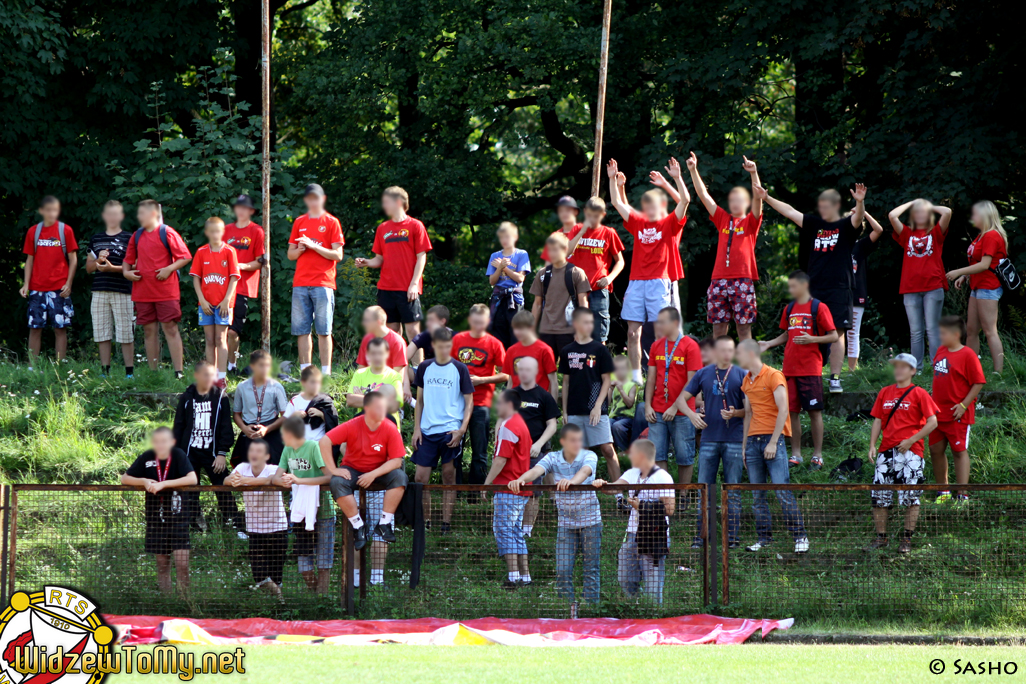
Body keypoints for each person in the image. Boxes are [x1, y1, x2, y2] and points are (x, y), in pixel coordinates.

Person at [756, 183, 867, 393]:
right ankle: (812, 373)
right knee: (808, 328)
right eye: (821, 205)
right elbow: (789, 212)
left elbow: (858, 219)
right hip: (814, 287)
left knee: (838, 331)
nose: (823, 209)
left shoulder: (845, 226)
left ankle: (835, 378)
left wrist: (860, 202)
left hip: (839, 288)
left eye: (827, 205)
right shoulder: (815, 224)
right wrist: (767, 198)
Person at [607, 157, 690, 383]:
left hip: (659, 281)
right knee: (633, 332)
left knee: (662, 332)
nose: (650, 208)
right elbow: (616, 202)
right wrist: (613, 178)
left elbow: (685, 200)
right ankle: (636, 377)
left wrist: (674, 178)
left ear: (662, 207)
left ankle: (664, 374)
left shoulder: (670, 224)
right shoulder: (639, 222)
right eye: (647, 205)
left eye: (655, 205)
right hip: (636, 282)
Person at [508, 423, 601, 606]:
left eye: (579, 440)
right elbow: (536, 471)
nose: (577, 444)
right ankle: (566, 609)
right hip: (565, 524)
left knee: (591, 569)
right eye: (573, 440)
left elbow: (585, 471)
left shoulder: (589, 455)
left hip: (591, 522)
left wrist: (571, 482)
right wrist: (521, 480)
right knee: (563, 570)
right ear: (563, 442)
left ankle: (592, 610)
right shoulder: (552, 458)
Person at [759, 270, 839, 469]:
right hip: (789, 370)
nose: (790, 290)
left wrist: (812, 339)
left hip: (811, 369)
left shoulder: (818, 307)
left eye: (794, 286)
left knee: (814, 412)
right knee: (791, 412)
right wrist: (769, 343)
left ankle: (817, 455)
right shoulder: (790, 308)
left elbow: (834, 336)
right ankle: (796, 455)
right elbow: (788, 333)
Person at [736, 339, 809, 554]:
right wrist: (743, 446)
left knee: (781, 491)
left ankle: (800, 536)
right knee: (757, 495)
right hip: (753, 442)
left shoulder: (773, 375)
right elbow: (748, 413)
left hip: (772, 440)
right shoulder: (746, 380)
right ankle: (764, 538)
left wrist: (773, 442)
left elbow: (784, 410)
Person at [866, 353, 940, 554]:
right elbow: (878, 420)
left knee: (911, 496)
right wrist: (873, 444)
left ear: (913, 371)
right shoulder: (885, 392)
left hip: (911, 452)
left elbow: (933, 421)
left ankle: (907, 539)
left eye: (903, 366)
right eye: (896, 366)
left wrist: (911, 440)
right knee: (879, 496)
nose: (898, 369)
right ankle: (881, 538)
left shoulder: (920, 393)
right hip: (886, 450)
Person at [678, 336, 747, 549]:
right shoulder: (703, 373)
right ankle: (701, 537)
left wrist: (736, 413)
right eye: (722, 350)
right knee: (704, 490)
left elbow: (750, 411)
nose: (726, 354)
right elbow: (681, 399)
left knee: (732, 490)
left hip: (734, 440)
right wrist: (692, 415)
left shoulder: (742, 374)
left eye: (730, 350)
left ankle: (732, 539)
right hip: (708, 439)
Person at [686, 153, 763, 340]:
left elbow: (758, 197)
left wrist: (753, 173)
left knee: (744, 328)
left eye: (739, 199)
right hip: (719, 280)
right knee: (718, 329)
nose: (734, 202)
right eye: (732, 199)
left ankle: (747, 368)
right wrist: (693, 169)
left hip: (742, 280)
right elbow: (703, 195)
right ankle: (719, 368)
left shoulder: (751, 222)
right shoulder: (722, 219)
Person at [322, 393, 409, 557]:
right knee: (337, 482)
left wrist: (373, 474)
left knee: (400, 477)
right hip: (353, 469)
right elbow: (325, 441)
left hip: (379, 470)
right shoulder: (352, 425)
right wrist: (333, 469)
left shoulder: (389, 427)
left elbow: (397, 461)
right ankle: (358, 526)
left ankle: (384, 524)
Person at [593, 439, 674, 604]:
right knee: (625, 576)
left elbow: (670, 508)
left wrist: (643, 506)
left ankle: (652, 612)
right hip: (632, 533)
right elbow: (616, 488)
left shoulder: (662, 477)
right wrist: (602, 485)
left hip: (654, 534)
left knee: (653, 585)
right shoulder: (632, 473)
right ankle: (635, 606)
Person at [412, 327, 474, 532]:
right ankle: (426, 523)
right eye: (440, 345)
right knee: (420, 478)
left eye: (448, 346)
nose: (444, 349)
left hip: (451, 431)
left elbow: (469, 401)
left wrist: (462, 429)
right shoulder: (424, 367)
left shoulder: (459, 368)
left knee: (449, 476)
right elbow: (419, 401)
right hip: (427, 431)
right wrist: (416, 429)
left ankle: (446, 524)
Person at [121, 427, 197, 594]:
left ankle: (185, 601)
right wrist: (143, 481)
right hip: (156, 520)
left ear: (172, 442)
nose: (160, 445)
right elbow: (124, 478)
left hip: (179, 520)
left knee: (182, 565)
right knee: (162, 565)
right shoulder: (147, 457)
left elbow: (192, 478)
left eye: (164, 441)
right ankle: (167, 601)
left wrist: (163, 484)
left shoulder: (178, 455)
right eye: (157, 441)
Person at [122, 199, 192, 378]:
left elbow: (185, 256)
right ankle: (154, 373)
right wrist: (126, 273)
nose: (139, 217)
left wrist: (169, 269)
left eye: (142, 214)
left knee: (170, 327)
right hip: (143, 292)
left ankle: (179, 372)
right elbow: (127, 262)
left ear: (153, 214)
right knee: (148, 330)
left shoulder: (166, 232)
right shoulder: (136, 236)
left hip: (166, 291)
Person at [355, 186, 432, 343]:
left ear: (398, 202)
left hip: (407, 288)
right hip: (386, 289)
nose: (384, 206)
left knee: (413, 332)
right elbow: (379, 259)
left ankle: (418, 368)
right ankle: (397, 367)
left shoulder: (415, 226)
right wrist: (366, 262)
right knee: (391, 332)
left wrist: (414, 284)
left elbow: (421, 257)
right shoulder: (383, 228)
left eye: (386, 202)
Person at [888, 199, 953, 370]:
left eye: (923, 212)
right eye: (917, 213)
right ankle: (916, 367)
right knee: (916, 331)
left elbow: (947, 212)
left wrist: (927, 205)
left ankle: (936, 366)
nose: (920, 215)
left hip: (933, 286)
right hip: (910, 288)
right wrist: (912, 203)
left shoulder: (936, 232)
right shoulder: (907, 234)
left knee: (932, 329)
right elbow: (892, 216)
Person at [272, 415, 334, 592]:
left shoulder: (313, 447)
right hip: (300, 512)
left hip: (324, 512)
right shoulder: (287, 450)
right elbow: (277, 477)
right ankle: (316, 598)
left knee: (324, 562)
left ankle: (322, 603)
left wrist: (299, 480)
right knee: (304, 566)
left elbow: (329, 476)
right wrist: (283, 482)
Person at [288, 183, 344, 375]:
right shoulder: (299, 222)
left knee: (324, 330)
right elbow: (290, 255)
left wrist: (313, 245)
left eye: (316, 198)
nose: (313, 201)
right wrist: (300, 249)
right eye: (310, 198)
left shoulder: (331, 222)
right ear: (306, 200)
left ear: (322, 199)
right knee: (301, 330)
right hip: (300, 283)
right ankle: (306, 372)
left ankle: (326, 373)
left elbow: (338, 255)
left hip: (323, 283)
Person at [172, 360, 236, 529]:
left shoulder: (220, 397)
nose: (210, 378)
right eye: (206, 375)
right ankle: (193, 524)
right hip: (190, 452)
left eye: (212, 375)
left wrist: (222, 453)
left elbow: (225, 426)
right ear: (197, 376)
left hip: (213, 452)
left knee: (223, 485)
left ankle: (231, 522)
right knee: (191, 488)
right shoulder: (186, 398)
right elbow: (178, 426)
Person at [947, 200, 1008, 373]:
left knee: (990, 331)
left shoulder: (991, 236)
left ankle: (998, 373)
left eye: (975, 214)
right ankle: (969, 370)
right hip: (977, 286)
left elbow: (984, 264)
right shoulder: (982, 235)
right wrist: (966, 276)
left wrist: (958, 272)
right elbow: (978, 262)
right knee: (972, 330)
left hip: (988, 288)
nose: (972, 218)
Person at [929, 316, 985, 504]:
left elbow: (978, 382)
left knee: (959, 451)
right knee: (935, 449)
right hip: (937, 413)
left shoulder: (968, 355)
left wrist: (963, 405)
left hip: (957, 413)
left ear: (956, 334)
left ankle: (963, 495)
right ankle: (942, 492)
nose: (940, 336)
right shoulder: (940, 350)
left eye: (943, 333)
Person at [559, 307, 619, 481]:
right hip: (574, 410)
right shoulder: (567, 350)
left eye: (591, 322)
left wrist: (598, 406)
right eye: (586, 322)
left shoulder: (599, 349)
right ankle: (579, 494)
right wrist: (564, 412)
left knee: (607, 449)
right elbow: (566, 381)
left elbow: (607, 380)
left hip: (597, 410)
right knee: (576, 453)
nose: (590, 326)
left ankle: (620, 493)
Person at [555, 197, 626, 343]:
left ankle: (599, 361)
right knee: (573, 330)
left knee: (599, 331)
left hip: (598, 287)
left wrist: (609, 278)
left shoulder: (609, 233)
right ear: (585, 212)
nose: (593, 219)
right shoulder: (574, 229)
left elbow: (620, 261)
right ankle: (574, 361)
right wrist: (581, 232)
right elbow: (567, 253)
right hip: (575, 288)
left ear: (603, 215)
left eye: (596, 215)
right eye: (590, 215)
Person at [645, 307, 702, 482]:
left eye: (663, 321)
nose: (658, 324)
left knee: (684, 456)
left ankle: (684, 496)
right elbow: (651, 378)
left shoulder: (690, 346)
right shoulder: (656, 345)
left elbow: (692, 382)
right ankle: (665, 494)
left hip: (683, 411)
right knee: (658, 455)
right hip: (657, 410)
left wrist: (675, 406)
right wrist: (647, 405)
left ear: (675, 323)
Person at [453, 304, 508, 486]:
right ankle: (455, 493)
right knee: (455, 450)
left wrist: (482, 380)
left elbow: (506, 374)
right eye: (475, 322)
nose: (478, 326)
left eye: (482, 323)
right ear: (470, 321)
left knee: (480, 452)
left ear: (487, 322)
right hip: (457, 403)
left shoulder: (494, 343)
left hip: (481, 402)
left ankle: (476, 496)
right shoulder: (458, 340)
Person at [484, 390, 533, 588]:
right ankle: (525, 577)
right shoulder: (519, 423)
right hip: (520, 487)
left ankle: (513, 577)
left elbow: (500, 459)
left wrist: (486, 484)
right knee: (515, 532)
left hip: (508, 487)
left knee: (505, 531)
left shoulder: (510, 426)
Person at [225, 439, 287, 595]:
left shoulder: (273, 469)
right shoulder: (242, 468)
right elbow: (226, 481)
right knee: (258, 574)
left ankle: (277, 607)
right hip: (255, 528)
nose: (254, 454)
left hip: (277, 527)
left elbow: (273, 480)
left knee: (276, 573)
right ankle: (280, 597)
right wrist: (236, 480)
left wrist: (245, 481)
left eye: (259, 451)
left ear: (267, 456)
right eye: (252, 450)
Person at [20, 196, 78, 362]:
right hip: (37, 288)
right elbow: (29, 260)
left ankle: (60, 367)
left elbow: (73, 259)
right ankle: (33, 368)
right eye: (49, 210)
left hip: (59, 288)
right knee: (35, 327)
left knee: (60, 328)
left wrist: (68, 283)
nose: (52, 213)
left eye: (55, 210)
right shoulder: (34, 231)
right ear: (42, 211)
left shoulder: (65, 230)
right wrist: (26, 284)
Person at [510, 356, 561, 538]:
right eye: (521, 369)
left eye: (528, 369)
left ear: (536, 372)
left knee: (533, 492)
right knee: (512, 489)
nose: (524, 373)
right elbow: (503, 421)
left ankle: (526, 531)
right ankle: (511, 527)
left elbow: (552, 425)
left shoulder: (544, 396)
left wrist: (539, 444)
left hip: (535, 451)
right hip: (512, 452)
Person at [189, 217, 240, 384]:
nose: (215, 234)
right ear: (206, 233)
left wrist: (226, 300)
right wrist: (202, 300)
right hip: (206, 304)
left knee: (221, 339)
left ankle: (222, 377)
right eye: (211, 231)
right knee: (210, 340)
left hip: (223, 304)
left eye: (218, 231)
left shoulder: (229, 251)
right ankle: (210, 377)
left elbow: (234, 278)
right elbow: (196, 278)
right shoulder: (201, 251)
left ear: (223, 232)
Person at [86, 200, 134, 377]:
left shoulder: (129, 238)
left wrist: (112, 268)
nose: (112, 217)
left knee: (126, 332)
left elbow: (135, 267)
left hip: (123, 290)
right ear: (104, 216)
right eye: (109, 214)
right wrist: (98, 260)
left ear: (121, 216)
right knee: (101, 332)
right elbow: (88, 268)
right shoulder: (96, 238)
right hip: (99, 290)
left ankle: (129, 372)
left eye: (116, 214)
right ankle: (105, 372)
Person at [529, 232, 590, 360]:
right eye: (549, 250)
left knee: (571, 370)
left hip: (568, 330)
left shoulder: (576, 273)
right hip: (546, 330)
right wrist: (531, 330)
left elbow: (583, 304)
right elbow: (537, 304)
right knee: (545, 370)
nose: (552, 253)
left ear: (565, 249)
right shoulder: (542, 274)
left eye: (555, 250)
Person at [224, 194, 266, 375]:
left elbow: (260, 262)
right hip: (221, 286)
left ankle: (231, 366)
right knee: (218, 331)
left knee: (233, 332)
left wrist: (240, 266)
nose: (241, 210)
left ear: (251, 211)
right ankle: (219, 369)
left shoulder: (256, 231)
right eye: (238, 207)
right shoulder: (225, 230)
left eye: (245, 208)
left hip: (242, 287)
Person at [232, 349, 288, 465]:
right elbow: (236, 414)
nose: (265, 369)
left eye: (268, 365)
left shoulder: (276, 387)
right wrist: (244, 428)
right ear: (252, 366)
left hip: (271, 429)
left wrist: (267, 429)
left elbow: (286, 415)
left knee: (274, 467)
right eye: (261, 365)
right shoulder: (242, 387)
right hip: (249, 430)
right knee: (246, 467)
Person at [486, 221, 531, 348]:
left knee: (516, 334)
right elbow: (492, 281)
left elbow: (520, 278)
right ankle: (501, 366)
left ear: (515, 237)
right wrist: (499, 268)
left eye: (507, 236)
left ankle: (516, 365)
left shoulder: (522, 254)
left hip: (515, 300)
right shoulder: (494, 256)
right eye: (501, 237)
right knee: (499, 335)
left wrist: (503, 268)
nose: (504, 240)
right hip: (499, 299)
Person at [848, 213, 885, 370]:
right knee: (832, 331)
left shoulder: (861, 245)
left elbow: (878, 230)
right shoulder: (834, 245)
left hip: (856, 295)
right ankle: (831, 370)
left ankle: (851, 371)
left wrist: (863, 212)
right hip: (837, 294)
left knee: (852, 333)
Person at [357, 305, 411, 403]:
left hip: (389, 394)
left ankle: (400, 415)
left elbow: (397, 378)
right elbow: (361, 369)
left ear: (378, 322)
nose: (363, 323)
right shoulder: (366, 339)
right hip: (368, 390)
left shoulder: (397, 342)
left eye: (367, 320)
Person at [347, 338, 404, 424]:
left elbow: (393, 405)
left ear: (387, 354)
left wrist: (364, 398)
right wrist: (383, 400)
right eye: (373, 353)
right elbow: (350, 400)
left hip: (388, 426)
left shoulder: (394, 376)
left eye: (380, 353)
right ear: (367, 355)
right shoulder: (359, 374)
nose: (377, 357)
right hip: (364, 425)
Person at [502, 309, 558, 396]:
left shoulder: (544, 350)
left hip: (537, 402)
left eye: (520, 328)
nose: (517, 332)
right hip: (517, 402)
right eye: (515, 328)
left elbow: (553, 382)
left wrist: (552, 407)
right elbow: (511, 381)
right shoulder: (511, 351)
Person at [284, 365, 340, 442]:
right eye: (312, 382)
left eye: (318, 382)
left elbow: (334, 424)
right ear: (303, 382)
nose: (316, 386)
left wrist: (322, 414)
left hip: (319, 446)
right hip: (300, 446)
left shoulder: (325, 400)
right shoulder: (295, 401)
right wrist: (294, 416)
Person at [609, 355, 641, 453]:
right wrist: (610, 388)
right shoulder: (613, 384)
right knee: (606, 424)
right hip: (614, 416)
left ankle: (623, 450)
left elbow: (630, 404)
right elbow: (607, 402)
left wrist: (621, 390)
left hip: (627, 418)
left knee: (617, 426)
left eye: (622, 369)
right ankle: (609, 450)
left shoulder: (632, 385)